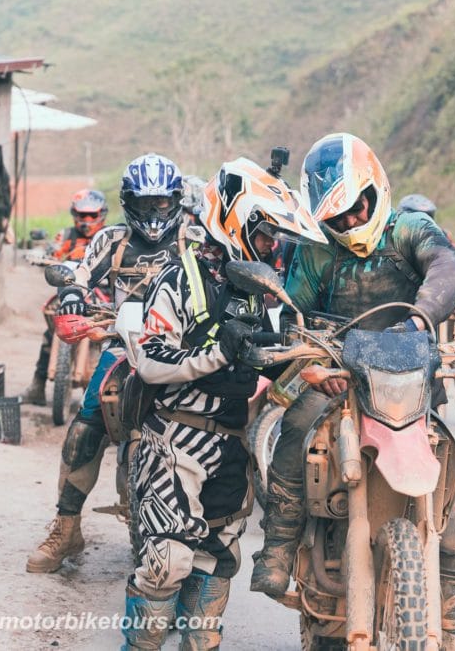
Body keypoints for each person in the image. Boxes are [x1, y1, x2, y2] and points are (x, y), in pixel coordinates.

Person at [250, 132, 455, 650]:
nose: (351, 222)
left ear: (375, 191)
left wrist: (420, 321)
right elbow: (294, 316)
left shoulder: (410, 230)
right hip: (337, 376)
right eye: (338, 216)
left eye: (357, 208)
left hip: (408, 379)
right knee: (294, 429)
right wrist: (311, 361)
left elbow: (447, 267)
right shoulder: (315, 253)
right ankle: (279, 548)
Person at [121, 158, 325, 650]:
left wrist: (310, 367)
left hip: (233, 440)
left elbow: (273, 357)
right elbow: (149, 361)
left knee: (216, 562)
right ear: (237, 221)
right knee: (167, 562)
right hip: (173, 437)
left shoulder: (262, 291)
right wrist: (216, 352)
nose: (271, 245)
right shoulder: (181, 278)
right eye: (264, 234)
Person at [26, 153, 191, 574]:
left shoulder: (196, 240)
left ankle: (214, 531)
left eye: (162, 204)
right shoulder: (110, 240)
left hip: (184, 351)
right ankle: (66, 527)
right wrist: (70, 296)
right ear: (128, 202)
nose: (155, 213)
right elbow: (79, 276)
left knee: (222, 427)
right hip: (122, 348)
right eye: (145, 203)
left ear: (175, 201)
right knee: (85, 426)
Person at [397, 193, 455, 430]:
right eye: (416, 216)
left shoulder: (440, 237)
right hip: (409, 306)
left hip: (441, 304)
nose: (422, 221)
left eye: (427, 217)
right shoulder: (394, 238)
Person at [21, 189, 108, 406]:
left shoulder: (108, 236)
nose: (87, 221)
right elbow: (54, 251)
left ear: (101, 214)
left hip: (102, 293)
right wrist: (43, 256)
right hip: (70, 291)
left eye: (92, 216)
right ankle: (37, 386)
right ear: (74, 215)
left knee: (115, 338)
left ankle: (108, 394)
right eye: (82, 216)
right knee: (50, 333)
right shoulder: (66, 236)